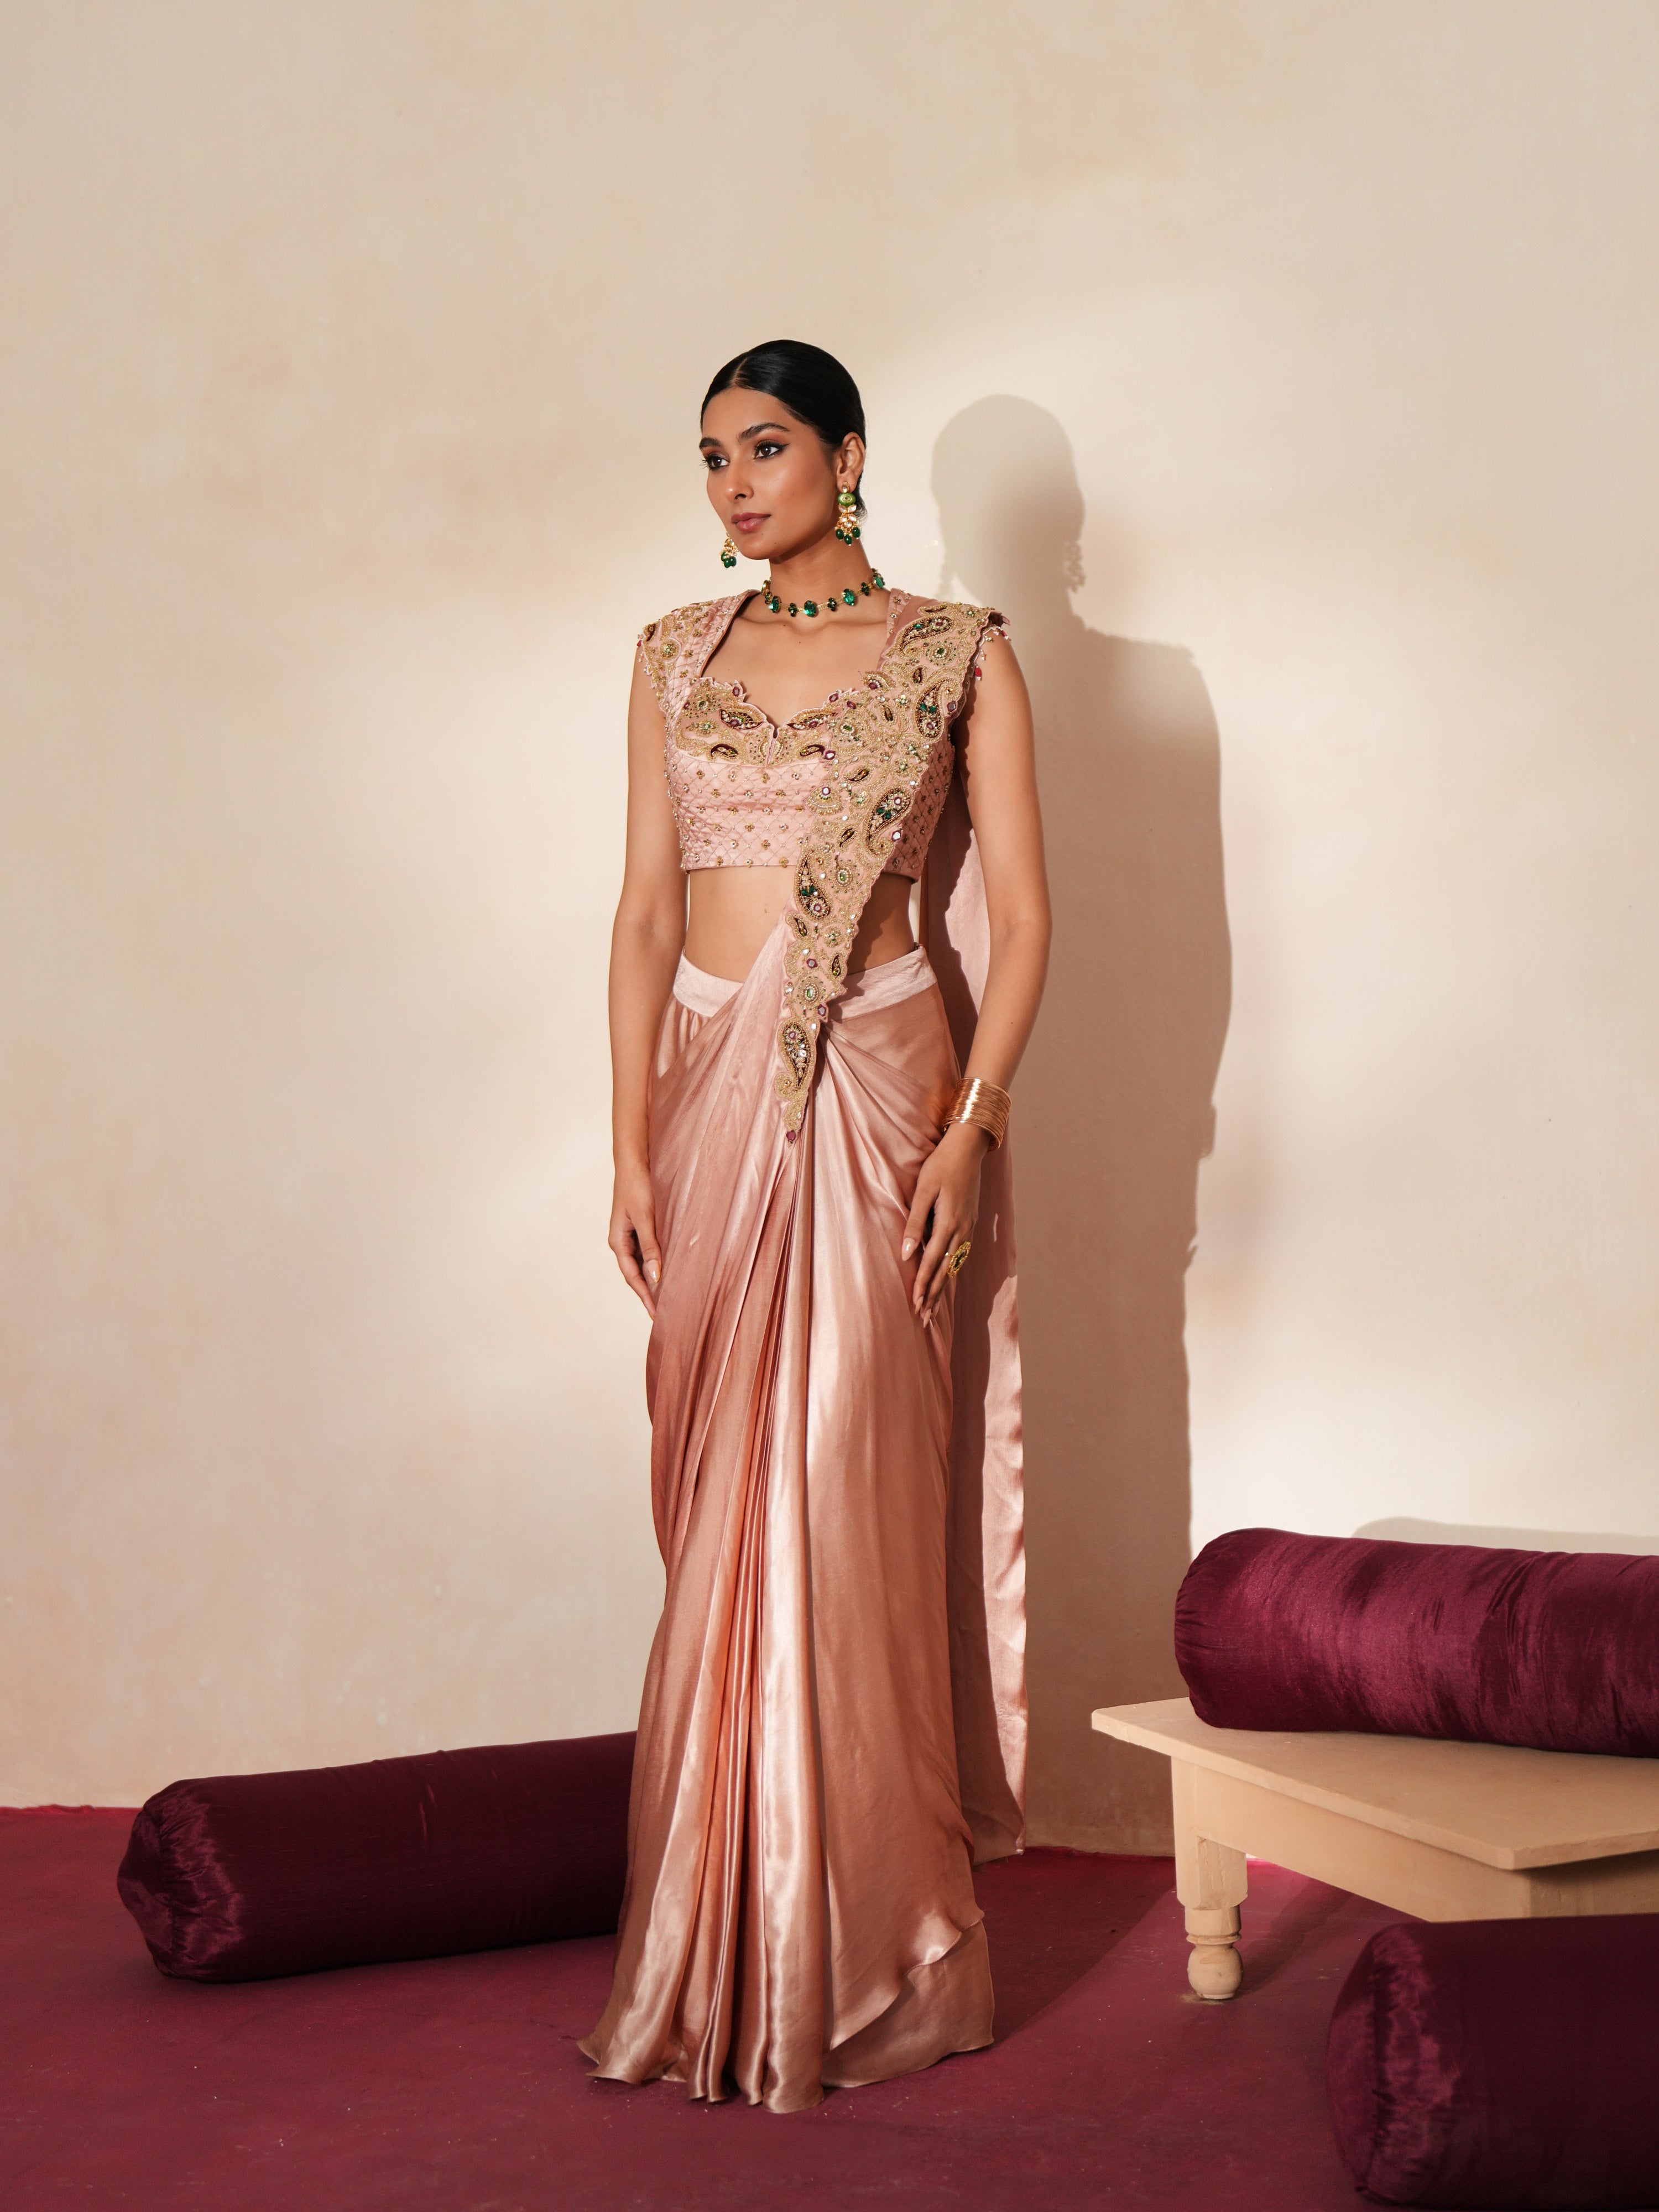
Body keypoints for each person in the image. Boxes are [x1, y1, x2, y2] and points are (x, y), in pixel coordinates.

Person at [582, 341, 1051, 2112]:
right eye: (711, 457)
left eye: (765, 447)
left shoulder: (958, 651)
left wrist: (972, 1127)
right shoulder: (666, 658)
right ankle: (713, 1921)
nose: (733, 484)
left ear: (846, 455)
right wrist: (625, 1138)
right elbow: (639, 913)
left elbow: (1024, 913)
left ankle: (870, 1948)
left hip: (876, 1087)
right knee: (717, 1506)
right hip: (708, 1098)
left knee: (848, 1487)